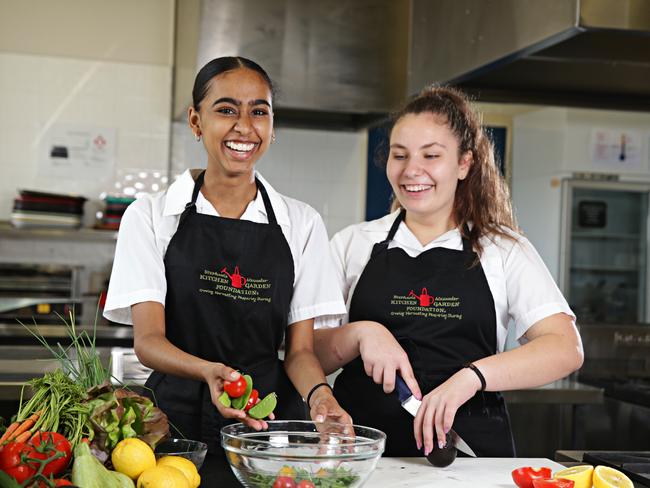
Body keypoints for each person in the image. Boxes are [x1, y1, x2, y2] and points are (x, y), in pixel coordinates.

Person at [314, 86, 584, 457]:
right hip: (363, 457)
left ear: (464, 164)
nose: (412, 170)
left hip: (471, 459)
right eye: (400, 155)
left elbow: (565, 348)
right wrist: (362, 333)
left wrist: (471, 378)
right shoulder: (352, 244)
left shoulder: (503, 249)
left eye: (431, 155)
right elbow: (305, 356)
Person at [103, 56, 351, 452]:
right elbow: (148, 341)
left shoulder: (301, 223)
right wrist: (209, 371)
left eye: (259, 111)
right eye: (226, 110)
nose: (244, 126)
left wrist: (321, 396)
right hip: (171, 422)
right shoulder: (149, 216)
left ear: (271, 128)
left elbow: (300, 351)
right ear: (196, 121)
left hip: (267, 423)